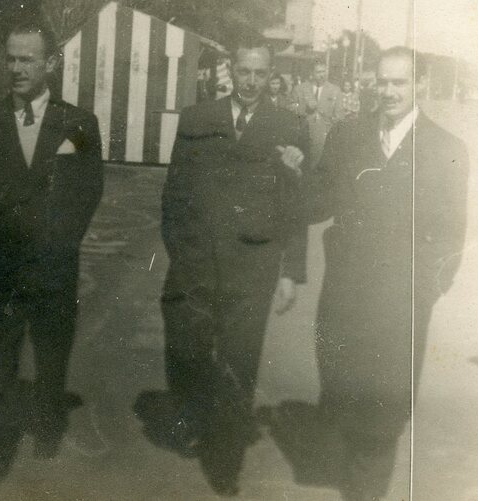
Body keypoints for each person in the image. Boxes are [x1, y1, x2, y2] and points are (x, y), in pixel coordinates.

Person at [307, 46, 469, 500]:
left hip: (399, 307)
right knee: (341, 393)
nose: (389, 91)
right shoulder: (348, 135)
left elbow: (451, 237)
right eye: (382, 81)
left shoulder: (446, 149)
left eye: (400, 82)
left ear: (420, 84)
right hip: (344, 298)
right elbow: (319, 202)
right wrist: (292, 173)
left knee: (384, 412)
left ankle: (366, 491)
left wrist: (421, 293)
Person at [0, 21, 103, 492]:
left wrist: (60, 242)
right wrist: (3, 233)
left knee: (52, 346)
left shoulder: (78, 124)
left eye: (27, 59)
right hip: (5, 260)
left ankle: (49, 418)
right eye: (11, 59)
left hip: (55, 261)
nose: (16, 68)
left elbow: (87, 190)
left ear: (50, 64)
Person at [159, 40, 308, 495]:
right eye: (244, 71)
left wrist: (290, 272)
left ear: (271, 75)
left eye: (260, 73)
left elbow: (296, 206)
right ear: (231, 70)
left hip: (253, 266)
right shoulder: (197, 118)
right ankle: (191, 417)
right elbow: (174, 192)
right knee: (187, 346)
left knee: (239, 359)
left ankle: (226, 458)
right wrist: (179, 250)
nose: (251, 81)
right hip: (197, 261)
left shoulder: (288, 126)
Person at [292, 62, 344, 166]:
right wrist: (303, 107)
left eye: (324, 71)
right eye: (318, 72)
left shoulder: (335, 90)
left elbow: (340, 115)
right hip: (303, 134)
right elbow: (291, 108)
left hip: (325, 136)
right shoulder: (300, 89)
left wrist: (328, 126)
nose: (322, 75)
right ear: (312, 73)